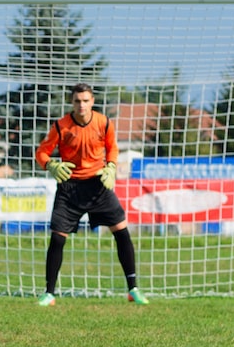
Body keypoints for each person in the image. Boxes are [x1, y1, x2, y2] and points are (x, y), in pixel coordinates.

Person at [33, 82, 148, 306]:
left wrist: (112, 167)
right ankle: (49, 293)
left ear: (92, 102)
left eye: (86, 100)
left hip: (98, 185)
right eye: (77, 101)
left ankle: (133, 289)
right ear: (72, 102)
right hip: (70, 187)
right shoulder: (61, 126)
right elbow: (41, 152)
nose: (82, 105)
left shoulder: (104, 123)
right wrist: (51, 166)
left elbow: (112, 147)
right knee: (57, 239)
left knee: (122, 232)